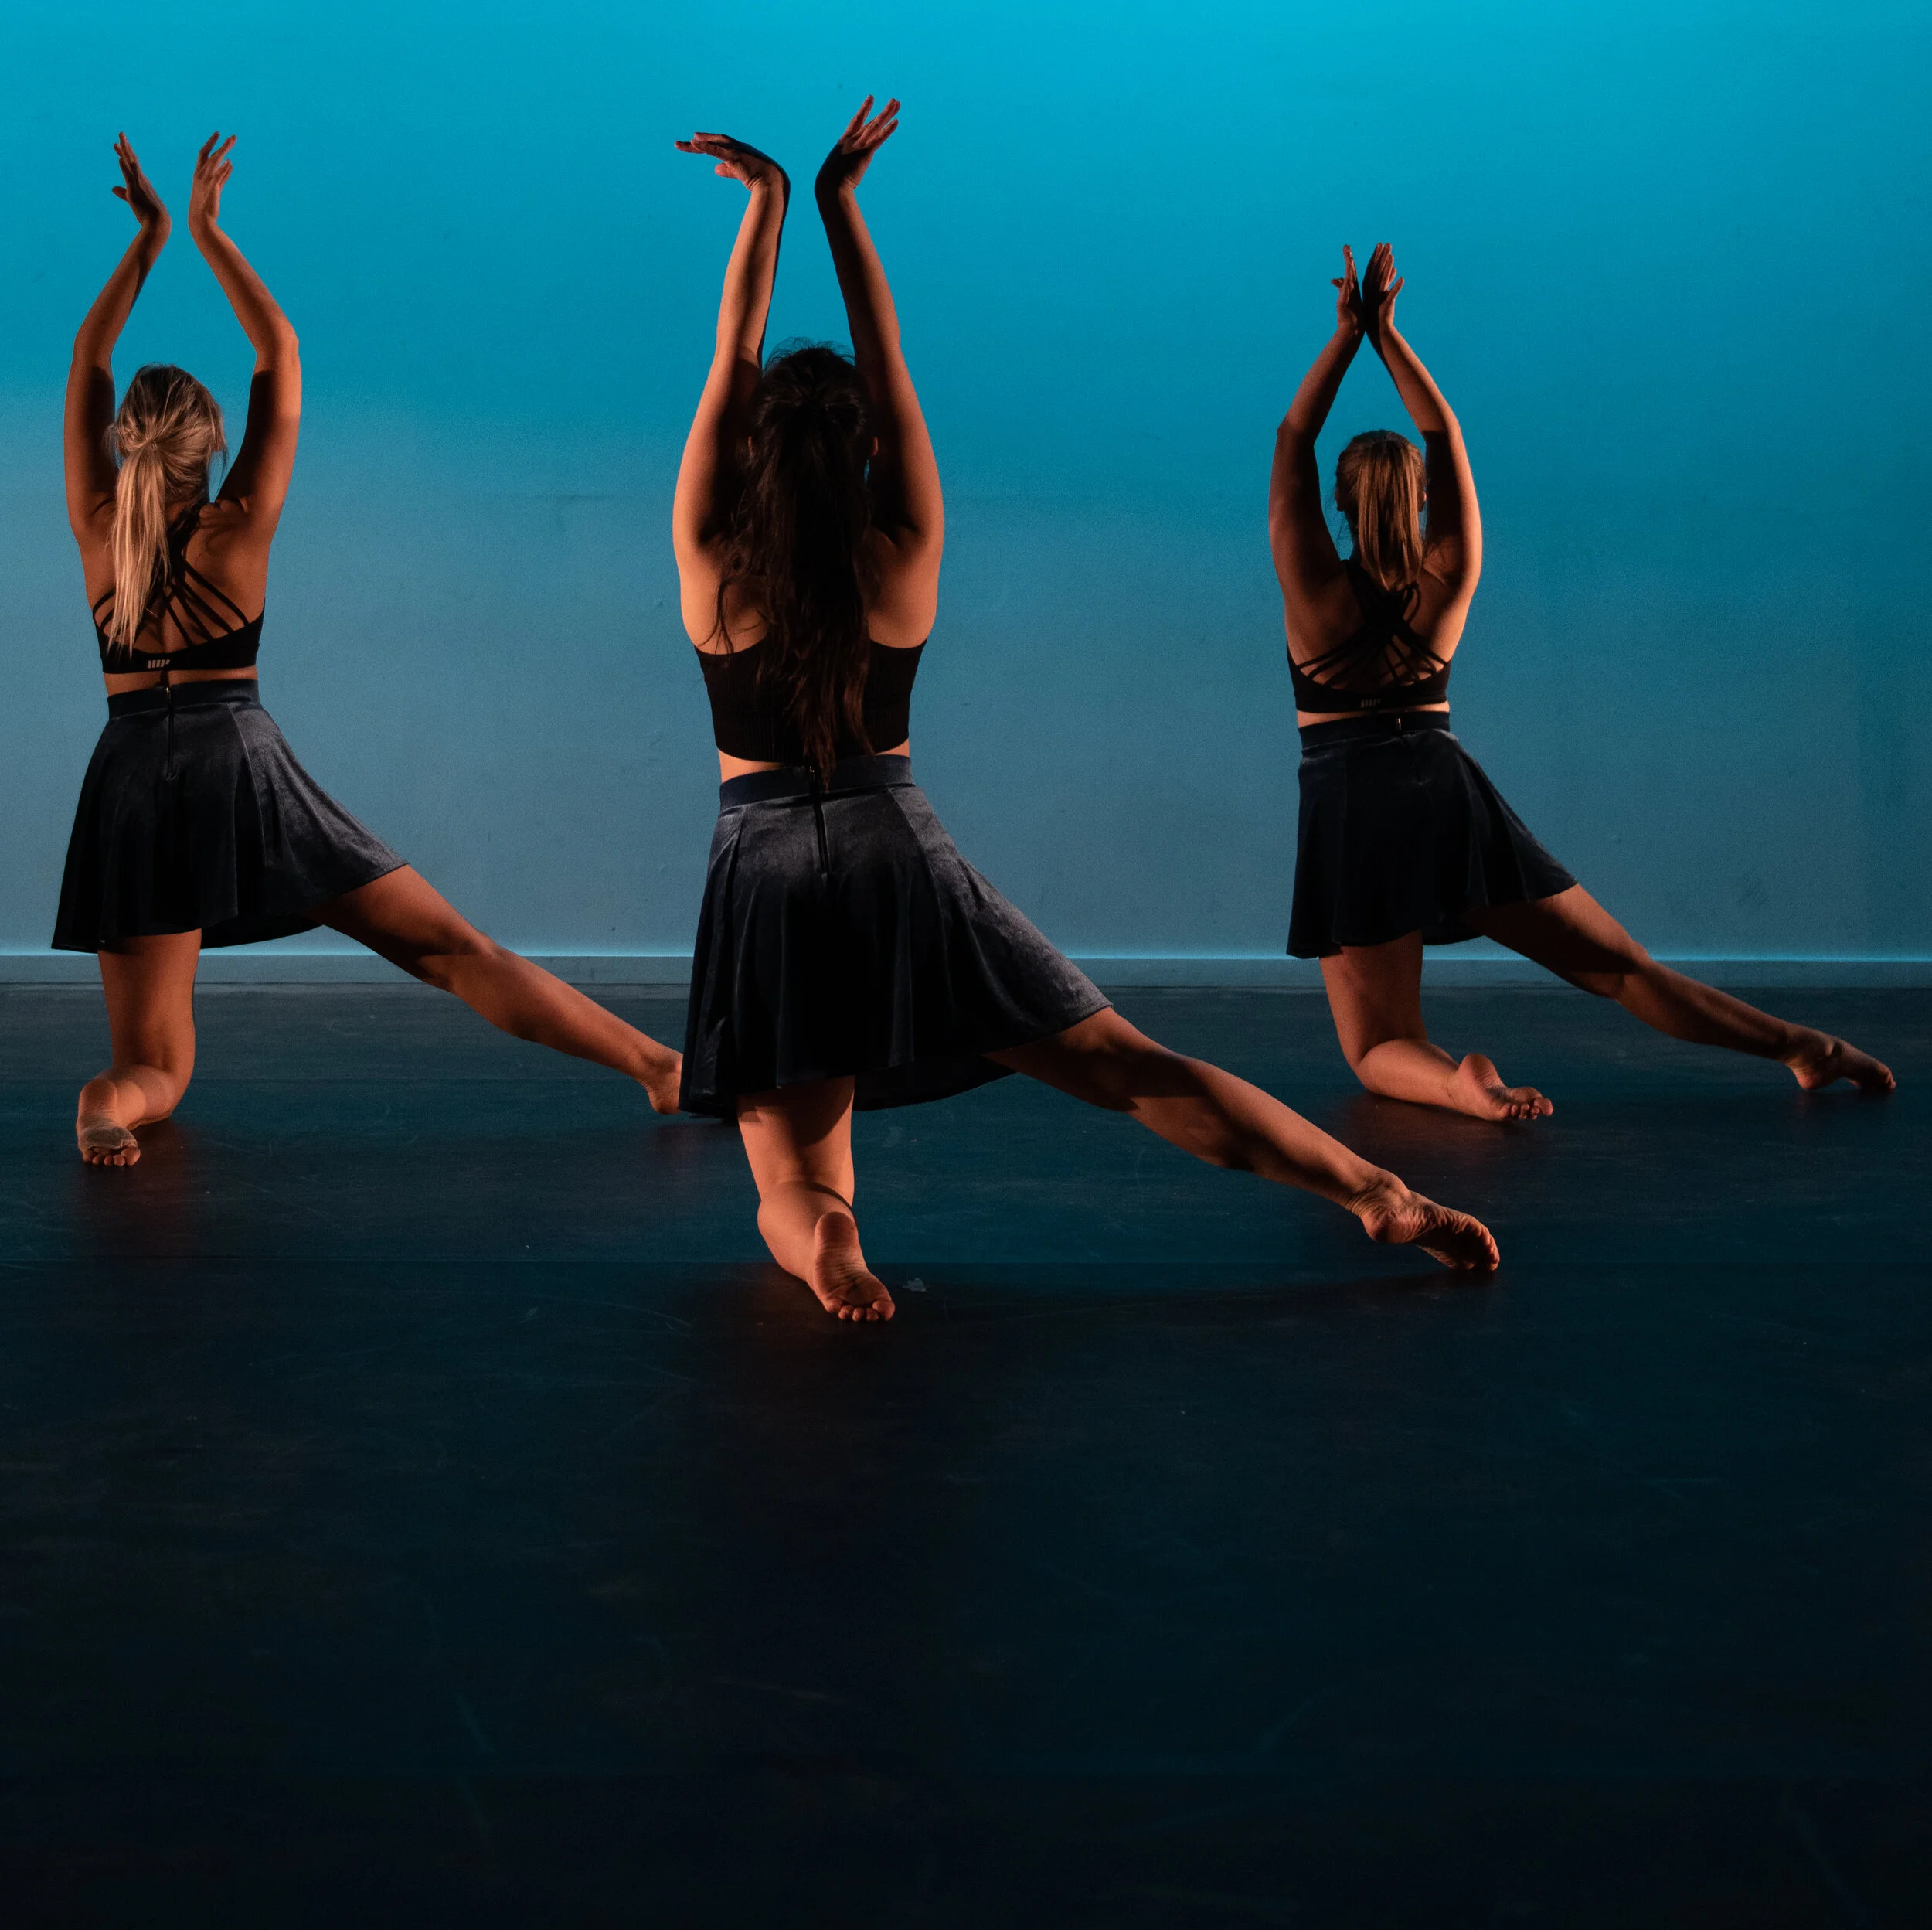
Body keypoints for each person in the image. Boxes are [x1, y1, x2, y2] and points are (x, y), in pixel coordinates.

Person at [672, 100, 1500, 1322]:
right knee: (1128, 1070)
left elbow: (730, 362)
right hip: (894, 845)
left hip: (761, 865)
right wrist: (842, 207)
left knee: (793, 1171)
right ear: (857, 456)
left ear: (750, 453)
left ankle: (833, 1248)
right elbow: (887, 374)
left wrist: (765, 209)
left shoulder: (708, 561)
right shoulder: (904, 553)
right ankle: (1372, 1188)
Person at [57, 132, 682, 1165]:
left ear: (126, 444)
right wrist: (205, 233)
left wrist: (146, 240)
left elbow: (87, 362)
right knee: (452, 950)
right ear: (210, 442)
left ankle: (105, 1104)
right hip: (234, 765)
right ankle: (658, 1068)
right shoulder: (239, 521)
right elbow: (281, 354)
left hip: (126, 779)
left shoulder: (94, 531)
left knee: (157, 1067)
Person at [1271, 240, 1896, 1123]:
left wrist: (1344, 336)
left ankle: (1460, 1085)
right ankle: (1802, 1044)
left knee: (1376, 1045)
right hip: (1443, 790)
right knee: (1623, 969)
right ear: (1417, 501)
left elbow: (1293, 436)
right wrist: (1388, 337)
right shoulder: (1448, 577)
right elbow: (1442, 434)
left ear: (1337, 501)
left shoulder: (1314, 594)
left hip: (1347, 795)